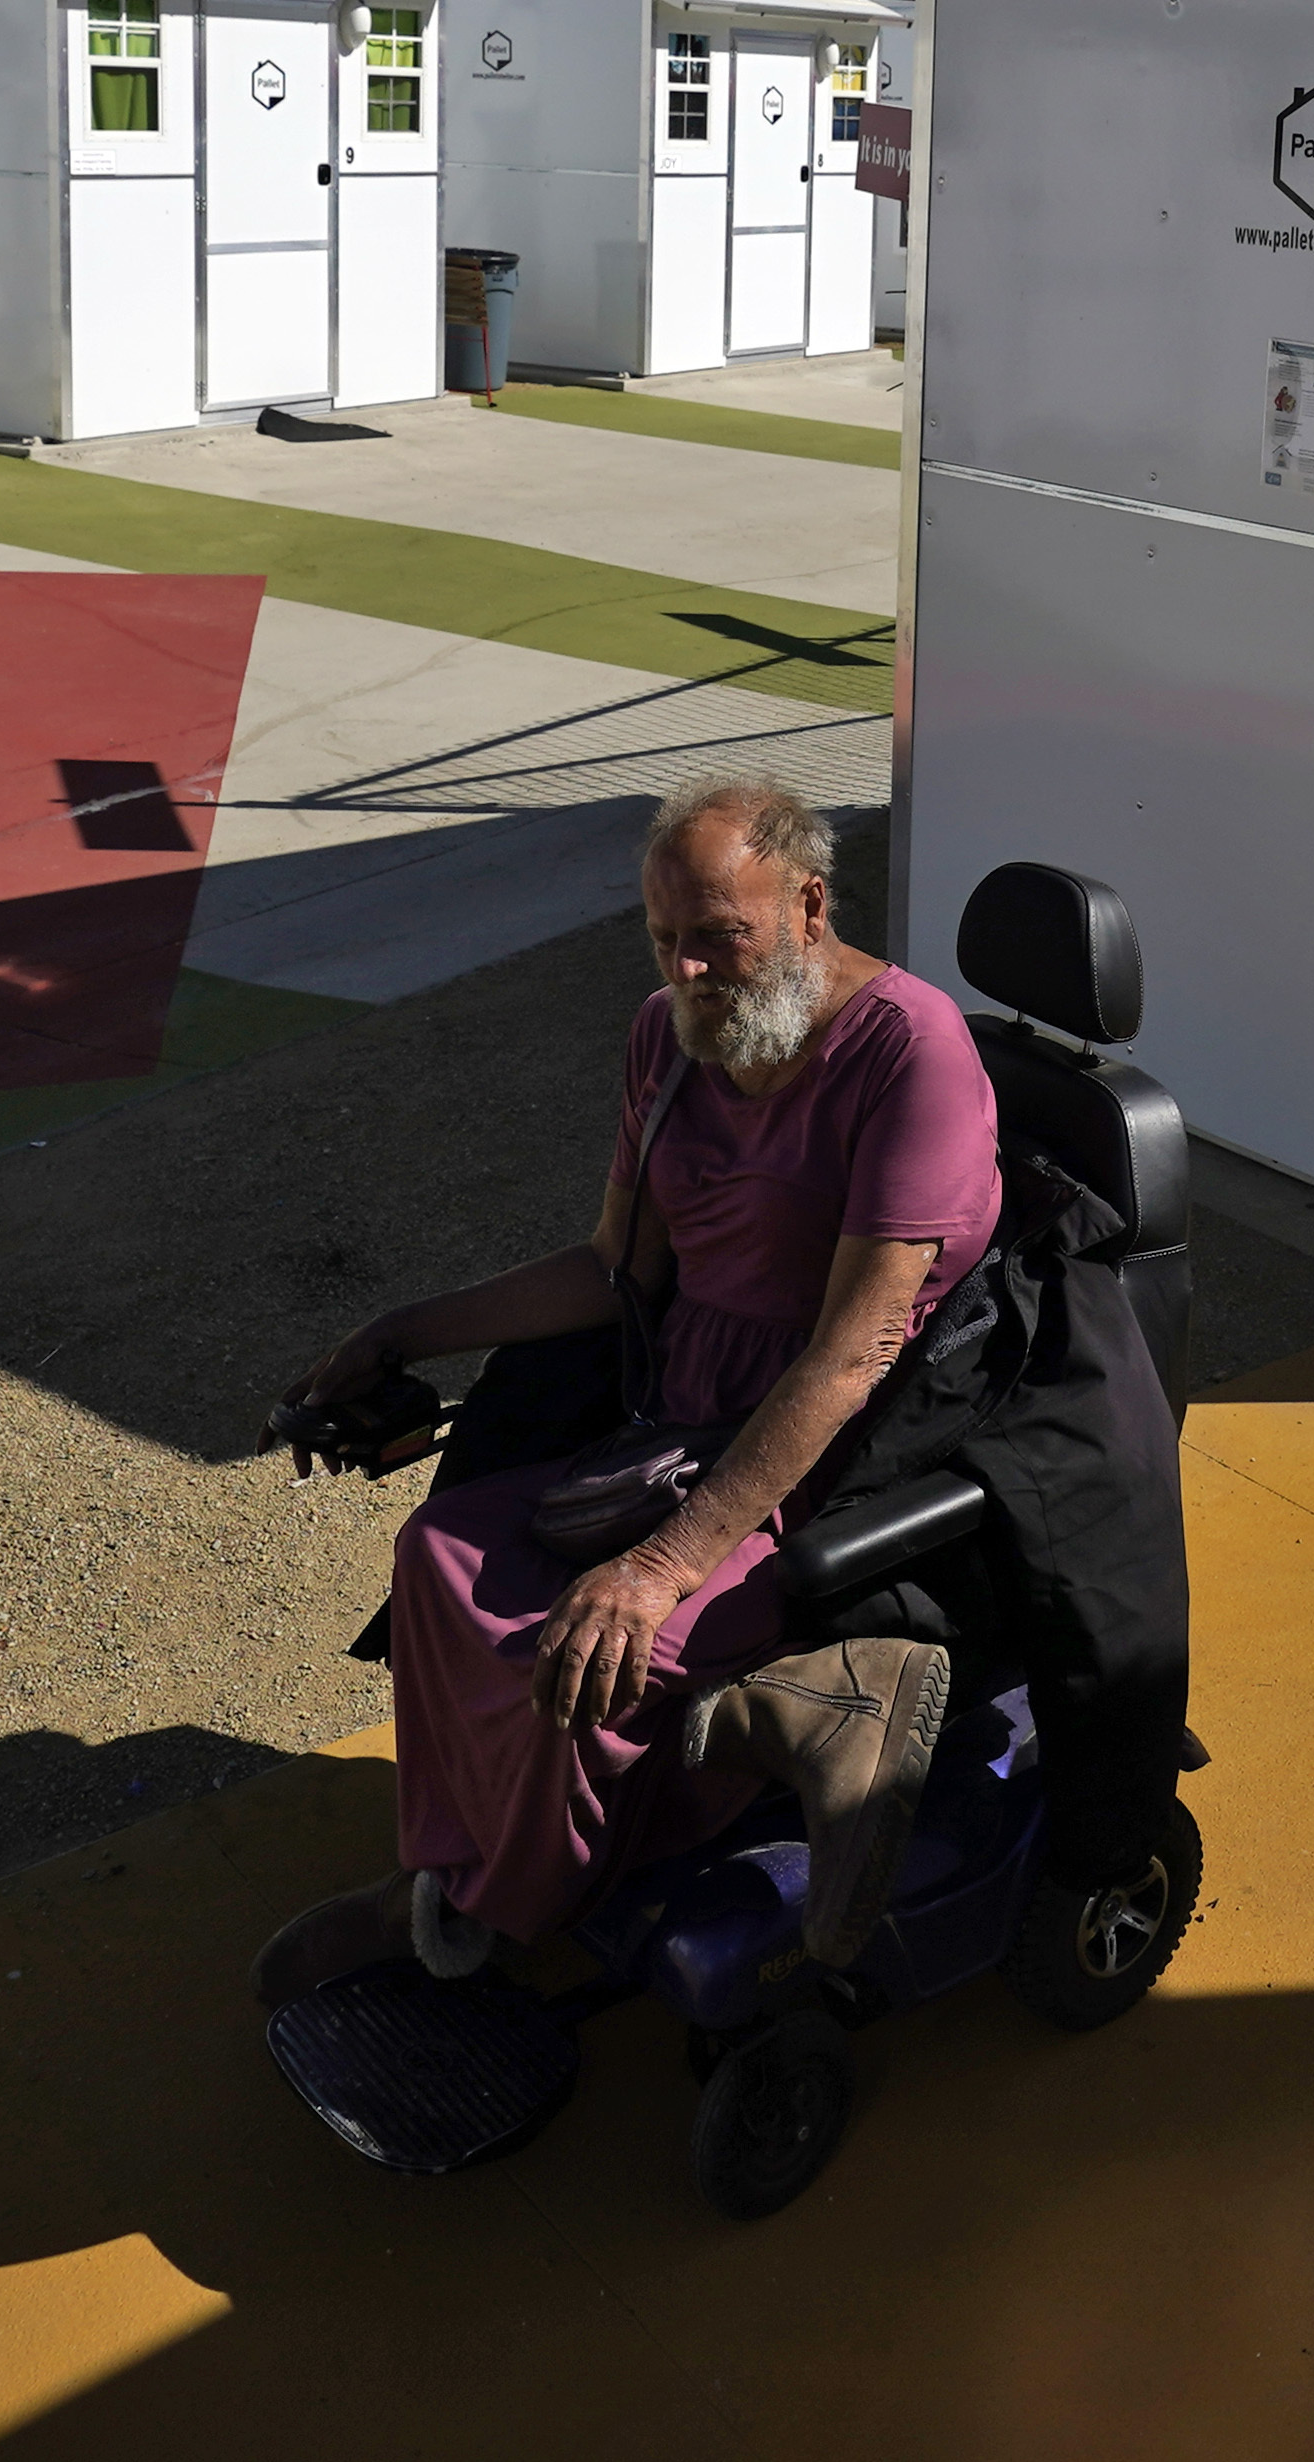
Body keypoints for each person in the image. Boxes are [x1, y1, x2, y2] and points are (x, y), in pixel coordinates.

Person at [256, 775, 1004, 1997]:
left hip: (825, 1458)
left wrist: (661, 1565)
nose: (692, 973)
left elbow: (854, 1351)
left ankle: (499, 1910)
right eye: (667, 941)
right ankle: (449, 1878)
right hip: (670, 1429)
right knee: (443, 1551)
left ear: (809, 903)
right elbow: (618, 1270)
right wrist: (402, 1331)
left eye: (722, 935)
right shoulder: (668, 1038)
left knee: (596, 1645)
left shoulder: (909, 1051)